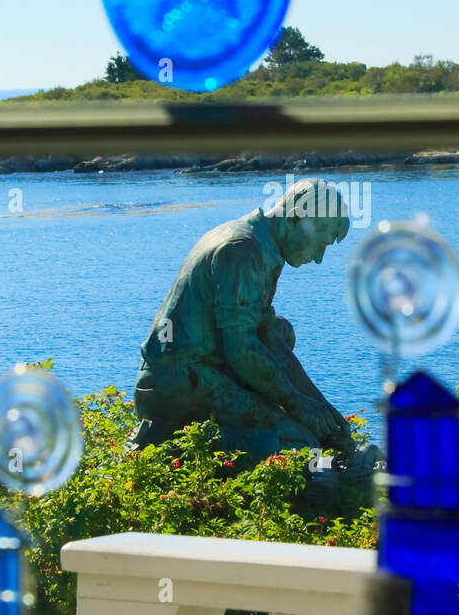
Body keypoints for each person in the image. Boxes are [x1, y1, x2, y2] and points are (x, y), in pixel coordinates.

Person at [131, 178, 357, 459]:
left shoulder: (266, 244)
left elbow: (273, 343)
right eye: (319, 244)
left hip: (202, 371)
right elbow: (240, 348)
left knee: (280, 330)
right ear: (297, 217)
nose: (319, 258)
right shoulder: (242, 249)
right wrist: (296, 403)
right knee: (301, 446)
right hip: (178, 382)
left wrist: (323, 409)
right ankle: (179, 451)